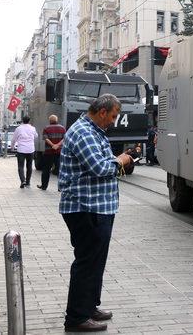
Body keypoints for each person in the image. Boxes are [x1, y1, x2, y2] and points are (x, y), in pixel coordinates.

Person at [59, 94, 133, 332]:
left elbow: (101, 164)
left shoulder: (94, 131)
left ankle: (89, 306)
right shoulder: (83, 132)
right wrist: (121, 160)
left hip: (98, 207)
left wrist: (117, 162)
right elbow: (101, 167)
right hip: (86, 208)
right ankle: (77, 317)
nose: (113, 121)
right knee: (87, 262)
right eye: (112, 116)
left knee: (96, 261)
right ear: (102, 112)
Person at [38, 115, 66, 190]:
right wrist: (57, 145)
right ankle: (60, 187)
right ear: (57, 120)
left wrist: (53, 145)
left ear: (50, 121)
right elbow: (65, 138)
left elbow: (45, 138)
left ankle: (44, 186)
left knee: (46, 170)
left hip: (48, 152)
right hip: (59, 152)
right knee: (60, 170)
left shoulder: (46, 128)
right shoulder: (62, 128)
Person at [11, 116, 39, 188]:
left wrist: (12, 147)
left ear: (22, 120)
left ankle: (23, 181)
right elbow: (36, 136)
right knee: (29, 166)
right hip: (30, 149)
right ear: (29, 121)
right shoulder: (33, 128)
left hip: (21, 150)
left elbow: (14, 139)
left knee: (20, 166)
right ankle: (28, 182)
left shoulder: (18, 128)